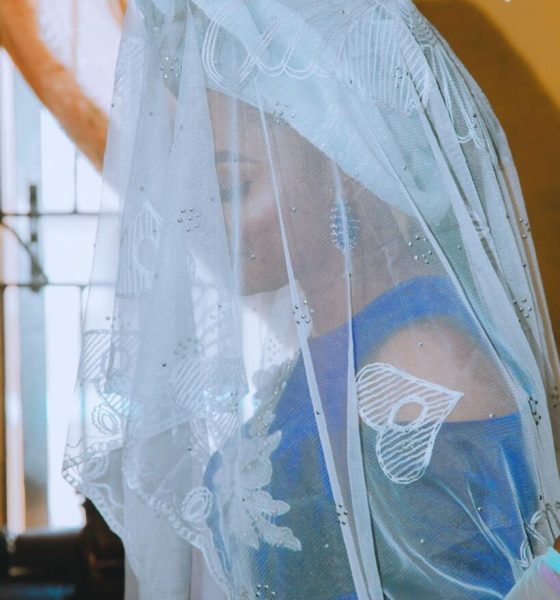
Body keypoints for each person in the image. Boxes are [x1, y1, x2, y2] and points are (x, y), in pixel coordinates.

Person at [63, 0, 560, 598]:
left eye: (229, 184)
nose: (198, 220)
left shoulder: (419, 363)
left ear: (343, 165)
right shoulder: (328, 346)